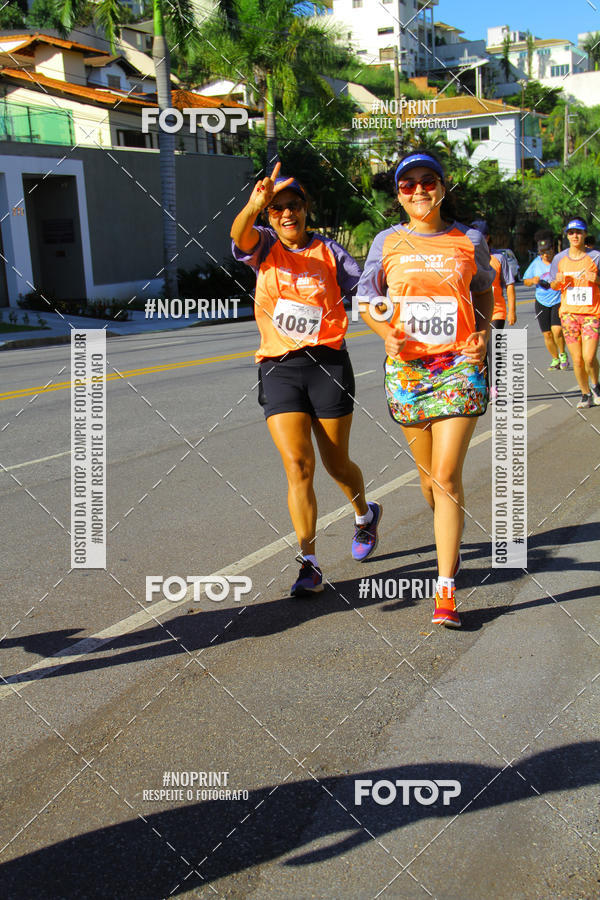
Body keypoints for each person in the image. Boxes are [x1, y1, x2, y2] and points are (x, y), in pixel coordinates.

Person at [230, 162, 382, 597]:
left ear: (306, 208)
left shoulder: (332, 254)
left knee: (336, 464)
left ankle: (364, 514)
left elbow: (367, 296)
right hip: (279, 368)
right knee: (299, 466)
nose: (285, 215)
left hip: (328, 365)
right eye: (277, 210)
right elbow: (238, 235)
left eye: (292, 206)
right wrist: (253, 205)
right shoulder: (262, 248)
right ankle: (309, 563)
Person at [358, 150, 494, 628]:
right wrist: (384, 332)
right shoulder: (387, 242)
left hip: (459, 367)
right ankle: (448, 536)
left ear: (443, 185)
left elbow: (482, 289)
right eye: (407, 184)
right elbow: (366, 298)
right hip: (409, 373)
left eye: (427, 181)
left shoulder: (468, 240)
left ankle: (446, 592)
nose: (418, 190)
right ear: (398, 194)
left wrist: (483, 334)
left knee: (446, 476)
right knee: (429, 482)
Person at [549, 217, 600, 409]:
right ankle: (585, 393)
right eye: (571, 232)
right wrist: (558, 281)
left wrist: (595, 279)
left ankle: (596, 385)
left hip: (591, 314)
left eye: (579, 232)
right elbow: (553, 285)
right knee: (577, 359)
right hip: (569, 315)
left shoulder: (595, 256)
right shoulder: (559, 259)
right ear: (567, 235)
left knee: (589, 356)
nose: (575, 235)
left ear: (585, 234)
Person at [523, 231, 569, 371]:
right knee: (547, 334)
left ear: (552, 249)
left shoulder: (560, 261)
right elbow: (525, 281)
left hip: (557, 300)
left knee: (557, 330)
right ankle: (555, 359)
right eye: (541, 253)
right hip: (541, 301)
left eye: (547, 251)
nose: (545, 255)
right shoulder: (536, 263)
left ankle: (562, 354)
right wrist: (532, 280)